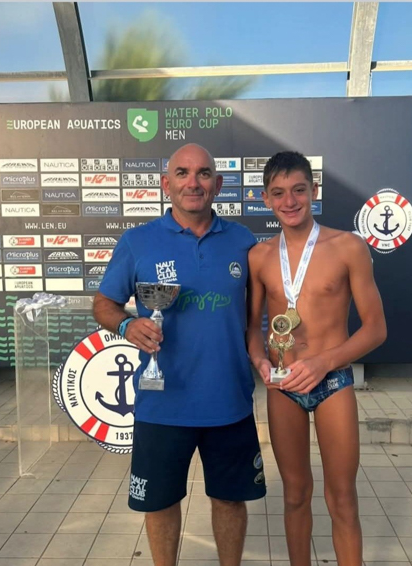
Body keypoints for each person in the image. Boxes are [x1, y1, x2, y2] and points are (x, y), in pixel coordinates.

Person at [93, 143, 266, 566]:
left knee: (230, 501)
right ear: (165, 184)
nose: (194, 182)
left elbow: (260, 315)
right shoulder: (137, 242)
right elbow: (103, 304)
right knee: (160, 503)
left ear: (218, 184)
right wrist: (127, 325)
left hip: (229, 402)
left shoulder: (243, 241)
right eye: (183, 173)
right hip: (163, 403)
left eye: (204, 173)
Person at [246, 151, 387, 566]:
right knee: (295, 495)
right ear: (265, 198)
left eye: (298, 190)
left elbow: (376, 329)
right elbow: (251, 329)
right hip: (283, 385)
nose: (289, 201)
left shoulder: (348, 247)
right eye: (278, 193)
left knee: (342, 497)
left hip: (332, 383)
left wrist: (324, 362)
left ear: (314, 191)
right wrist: (260, 361)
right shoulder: (259, 257)